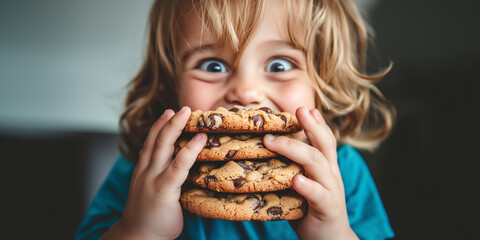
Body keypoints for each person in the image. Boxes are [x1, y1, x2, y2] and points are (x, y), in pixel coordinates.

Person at [76, 0, 396, 239]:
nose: (245, 93)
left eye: (280, 65)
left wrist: (334, 233)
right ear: (170, 84)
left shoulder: (341, 172)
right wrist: (140, 230)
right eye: (213, 65)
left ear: (323, 80)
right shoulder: (145, 173)